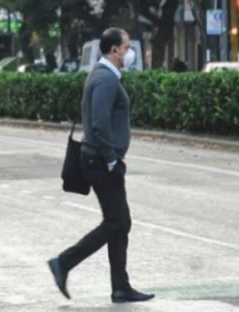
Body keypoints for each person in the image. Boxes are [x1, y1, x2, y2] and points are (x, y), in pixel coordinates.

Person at [47, 27, 155, 303]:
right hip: (100, 160)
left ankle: (120, 287)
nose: (130, 53)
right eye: (127, 47)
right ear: (114, 50)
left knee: (120, 222)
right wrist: (110, 159)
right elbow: (99, 122)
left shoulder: (104, 76)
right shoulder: (105, 79)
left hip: (99, 159)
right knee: (117, 221)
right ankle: (64, 262)